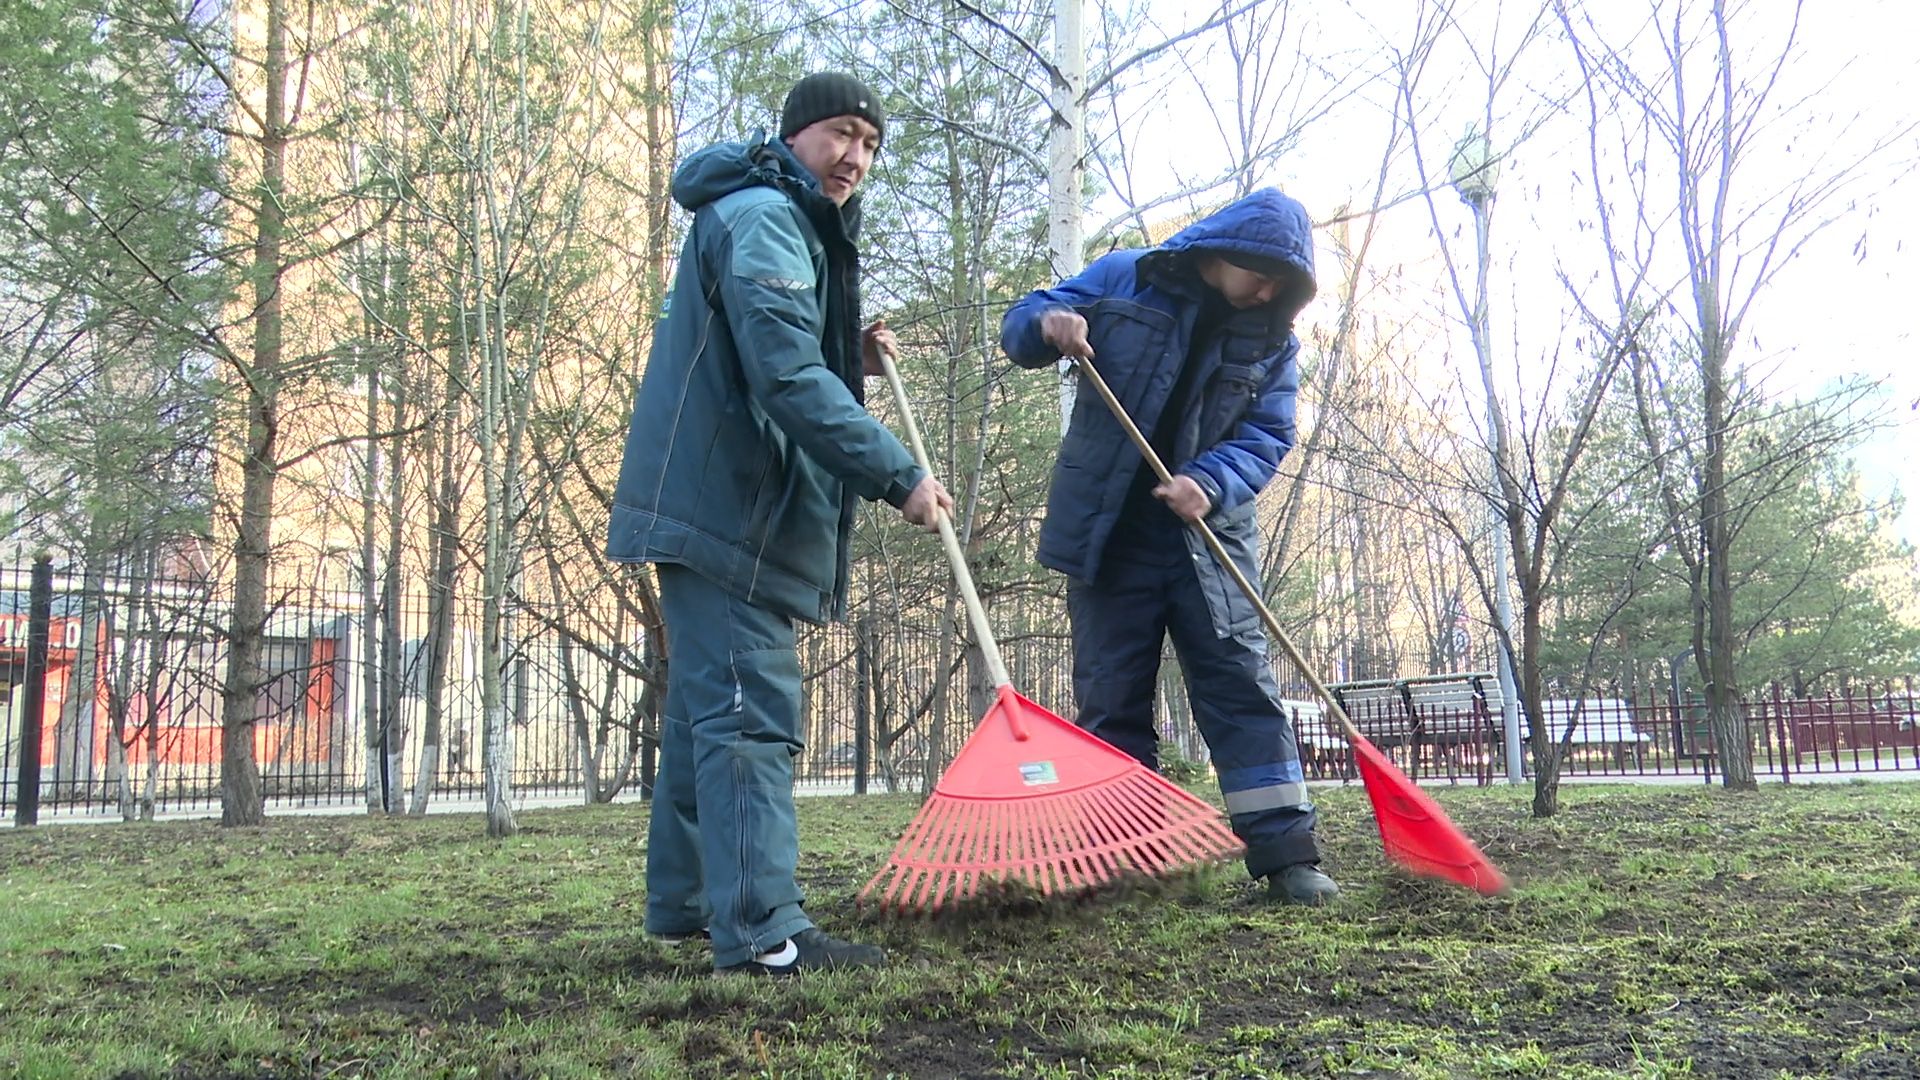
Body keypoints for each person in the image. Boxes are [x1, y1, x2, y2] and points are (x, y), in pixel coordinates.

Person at [607, 72, 953, 974]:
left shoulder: (775, 217)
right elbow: (784, 375)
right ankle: (764, 933)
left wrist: (855, 356)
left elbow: (772, 348)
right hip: (729, 505)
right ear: (798, 133)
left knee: (703, 717)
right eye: (842, 134)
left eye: (871, 146)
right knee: (749, 713)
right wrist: (897, 474)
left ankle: (689, 903)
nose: (855, 158)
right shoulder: (765, 214)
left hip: (718, 499)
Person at [998, 188, 1339, 905]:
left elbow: (1269, 436)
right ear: (1226, 253)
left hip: (1208, 542)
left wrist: (1209, 483)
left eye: (1286, 285)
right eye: (1264, 274)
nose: (1271, 291)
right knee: (1111, 700)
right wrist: (1048, 322)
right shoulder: (1125, 278)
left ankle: (1287, 858)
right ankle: (1126, 861)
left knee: (1241, 690)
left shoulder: (1273, 340)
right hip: (1109, 534)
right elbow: (1022, 321)